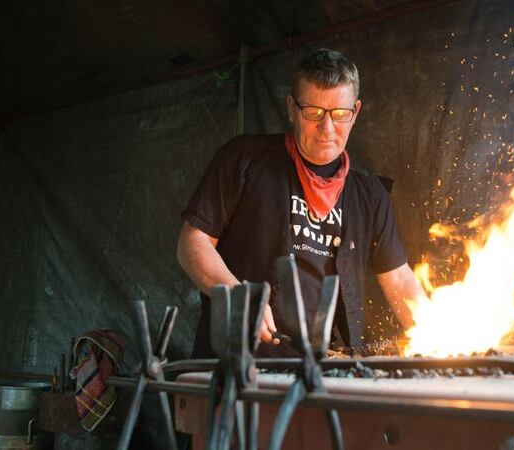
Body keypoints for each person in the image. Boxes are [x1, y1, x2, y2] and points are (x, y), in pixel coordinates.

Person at [177, 48, 424, 357]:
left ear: (356, 112)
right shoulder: (244, 159)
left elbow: (399, 278)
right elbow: (193, 242)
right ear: (292, 108)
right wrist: (235, 294)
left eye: (340, 114)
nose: (327, 129)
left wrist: (440, 339)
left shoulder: (368, 194)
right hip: (238, 367)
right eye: (314, 113)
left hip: (324, 375)